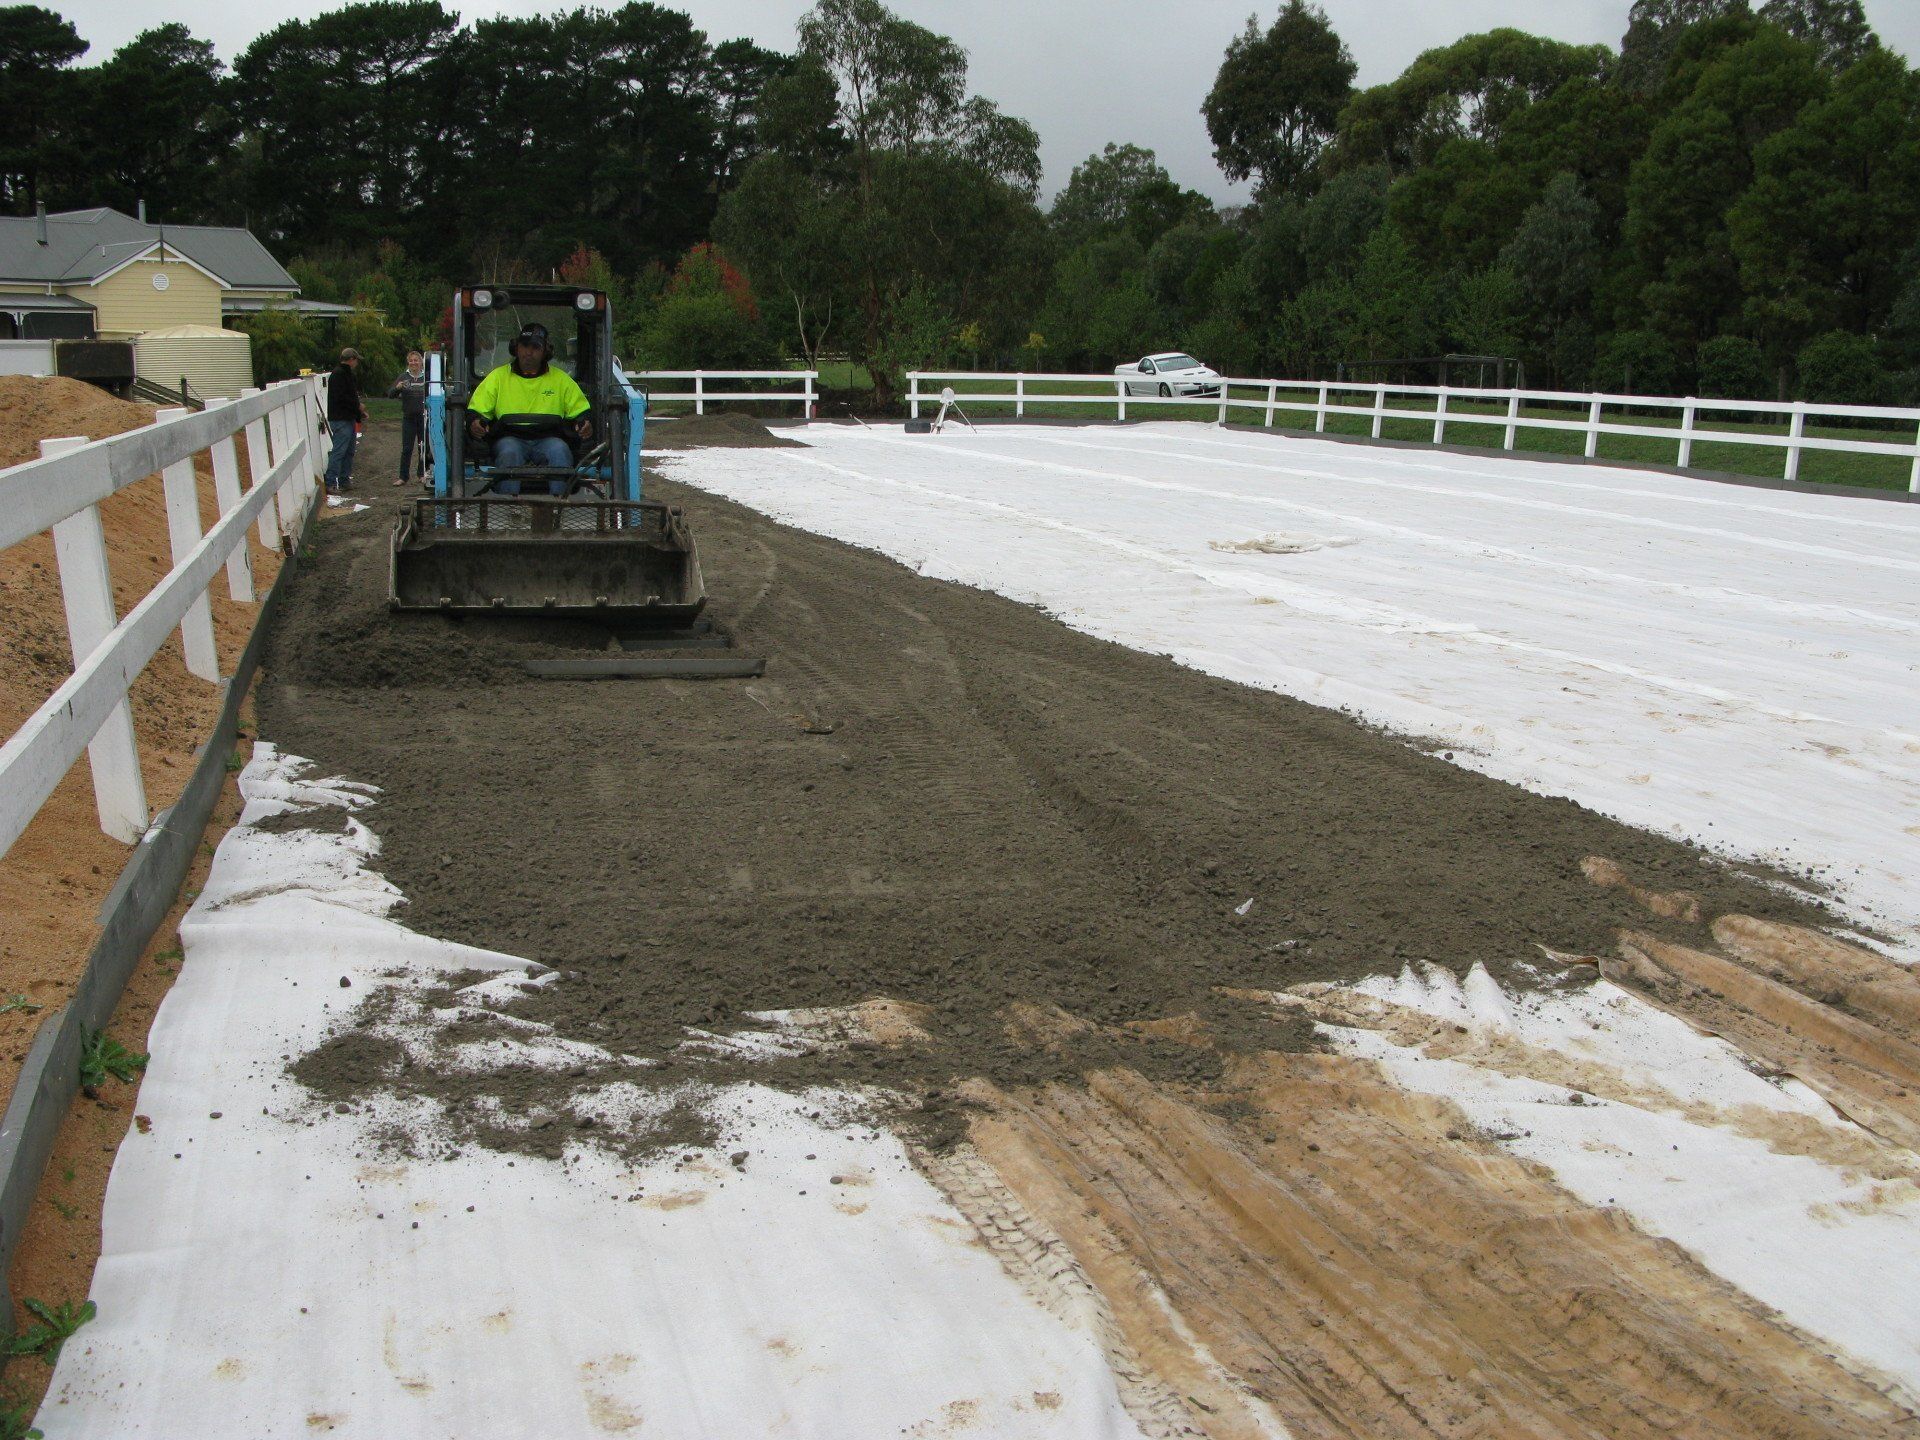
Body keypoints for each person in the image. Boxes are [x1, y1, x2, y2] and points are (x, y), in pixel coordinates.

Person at [467, 323, 591, 496]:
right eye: (524, 346)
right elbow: (478, 410)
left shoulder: (561, 380)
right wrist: (475, 423)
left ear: (545, 352)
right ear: (516, 348)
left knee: (560, 451)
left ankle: (559, 506)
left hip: (549, 438)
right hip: (510, 438)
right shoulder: (497, 378)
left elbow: (580, 412)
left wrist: (583, 423)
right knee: (509, 452)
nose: (528, 352)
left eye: (535, 347)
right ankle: (508, 509)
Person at [324, 347, 368, 493]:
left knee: (348, 450)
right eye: (356, 360)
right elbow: (343, 398)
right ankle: (331, 481)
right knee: (340, 450)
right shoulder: (340, 375)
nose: (356, 363)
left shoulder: (340, 374)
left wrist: (358, 411)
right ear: (351, 359)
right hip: (341, 418)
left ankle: (343, 479)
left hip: (346, 417)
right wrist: (358, 407)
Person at [389, 349, 430, 487]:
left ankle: (422, 474)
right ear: (408, 362)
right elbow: (390, 394)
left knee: (423, 447)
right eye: (411, 360)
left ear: (421, 362)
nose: (413, 363)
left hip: (423, 417)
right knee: (407, 448)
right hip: (408, 418)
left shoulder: (427, 378)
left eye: (416, 360)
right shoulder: (403, 377)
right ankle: (403, 477)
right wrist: (398, 388)